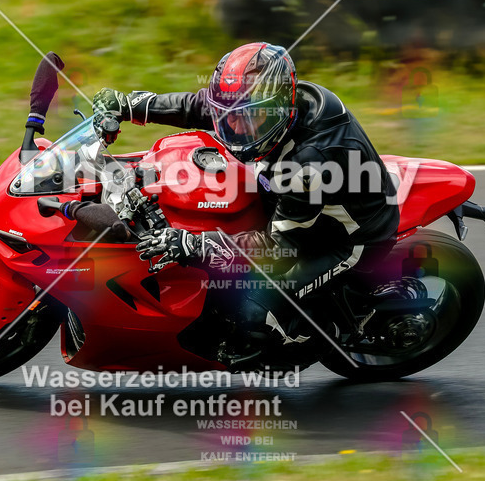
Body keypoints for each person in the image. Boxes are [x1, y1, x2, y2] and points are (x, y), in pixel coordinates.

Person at [93, 42, 399, 349]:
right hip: (296, 205)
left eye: (247, 118)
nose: (234, 126)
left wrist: (194, 243)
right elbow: (200, 106)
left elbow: (276, 250)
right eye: (230, 115)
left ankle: (323, 338)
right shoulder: (268, 104)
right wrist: (131, 105)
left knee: (252, 312)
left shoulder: (309, 164)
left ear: (277, 109)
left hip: (344, 239)